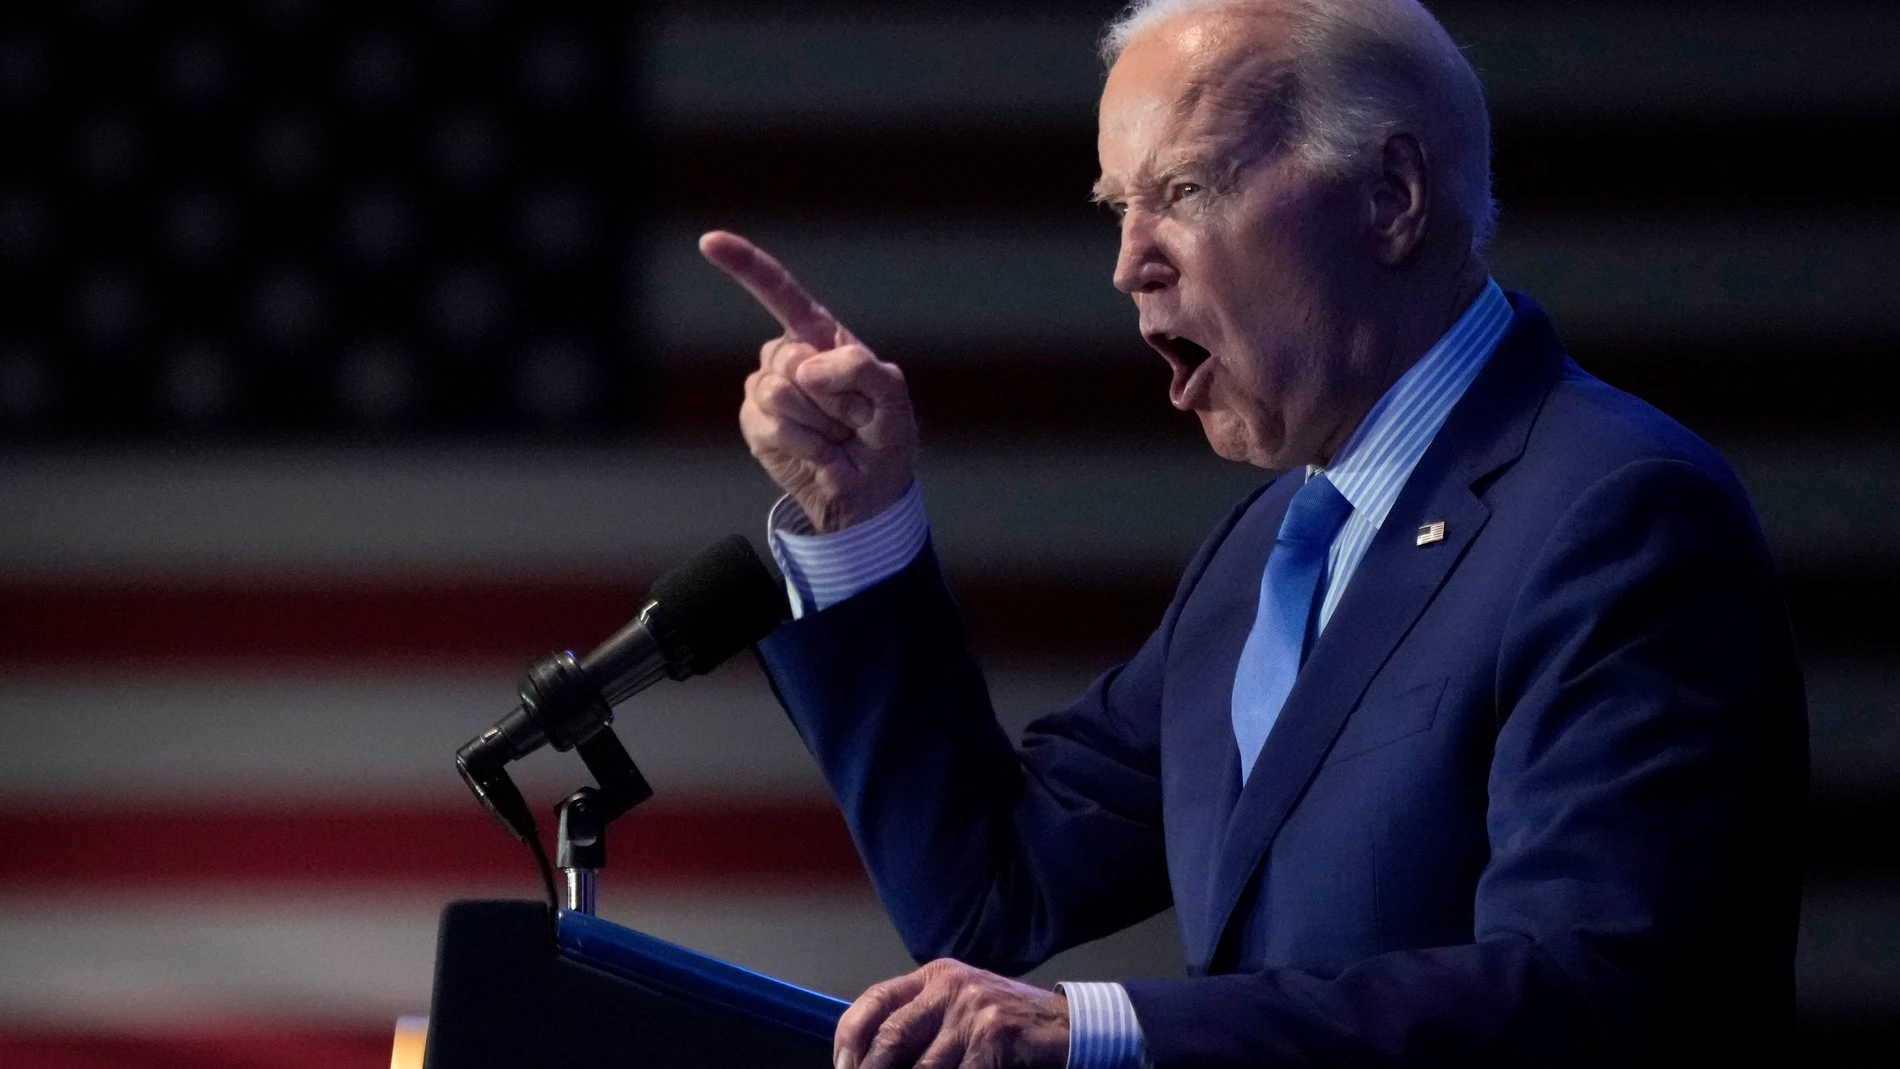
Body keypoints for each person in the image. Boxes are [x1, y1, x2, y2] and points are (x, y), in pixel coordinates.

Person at [699, 0, 1807, 1065]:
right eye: (1116, 207)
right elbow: (990, 887)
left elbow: (1586, 994)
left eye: (1183, 188)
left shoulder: (1616, 511)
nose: (1129, 261)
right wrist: (863, 519)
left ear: (1390, 197)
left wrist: (1102, 1028)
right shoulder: (1273, 546)